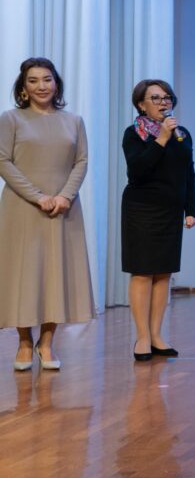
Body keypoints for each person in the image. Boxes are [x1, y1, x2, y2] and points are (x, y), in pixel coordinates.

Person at [0, 57, 94, 370]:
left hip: (64, 208)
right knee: (23, 274)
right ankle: (24, 342)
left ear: (56, 84)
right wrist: (38, 196)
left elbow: (81, 161)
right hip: (22, 207)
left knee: (57, 273)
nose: (41, 86)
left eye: (47, 79)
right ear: (23, 88)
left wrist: (65, 196)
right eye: (33, 80)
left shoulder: (74, 121)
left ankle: (47, 343)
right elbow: (3, 161)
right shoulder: (11, 119)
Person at [122, 79, 195, 361]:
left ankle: (156, 335)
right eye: (155, 98)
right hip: (141, 209)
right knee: (143, 272)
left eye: (167, 97)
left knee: (164, 273)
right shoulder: (134, 134)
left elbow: (189, 174)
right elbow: (138, 171)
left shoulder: (182, 134)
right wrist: (161, 138)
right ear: (141, 105)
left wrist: (191, 209)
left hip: (170, 210)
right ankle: (142, 337)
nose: (163, 102)